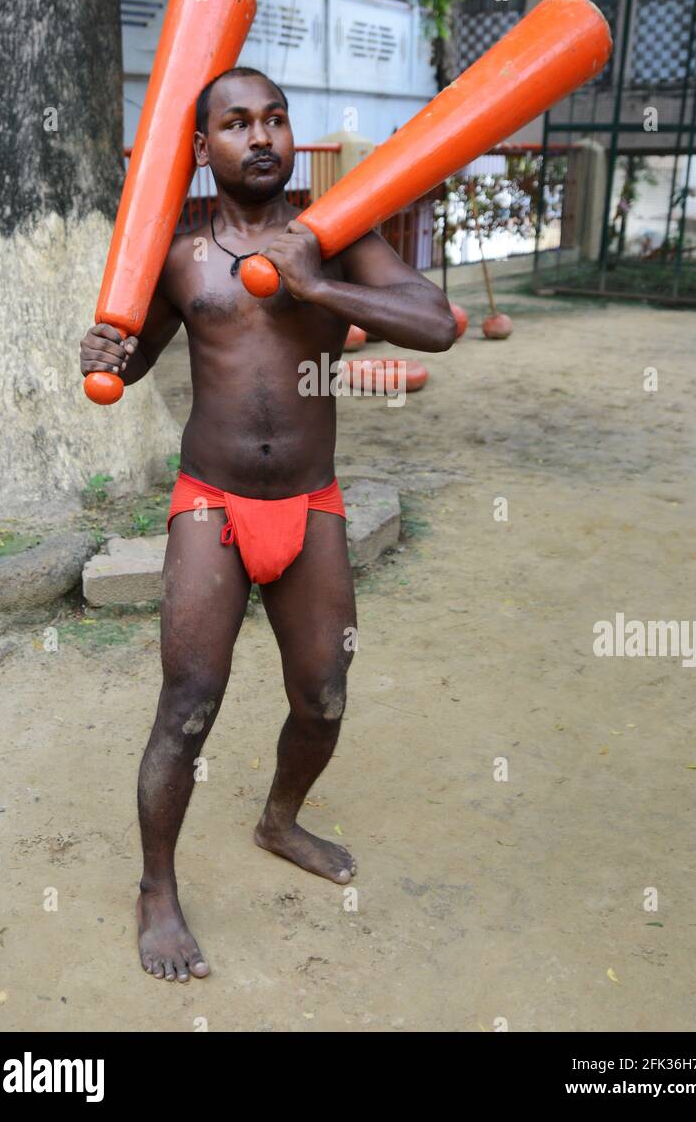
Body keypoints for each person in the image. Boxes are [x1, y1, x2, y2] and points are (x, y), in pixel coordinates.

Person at [80, 67, 457, 984]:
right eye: (236, 123)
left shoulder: (336, 237)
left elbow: (437, 323)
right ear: (202, 147)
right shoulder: (177, 256)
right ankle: (156, 891)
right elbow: (135, 362)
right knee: (189, 703)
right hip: (210, 502)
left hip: (311, 503)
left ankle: (278, 819)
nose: (261, 137)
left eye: (276, 120)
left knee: (323, 694)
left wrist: (316, 286)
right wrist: (107, 356)